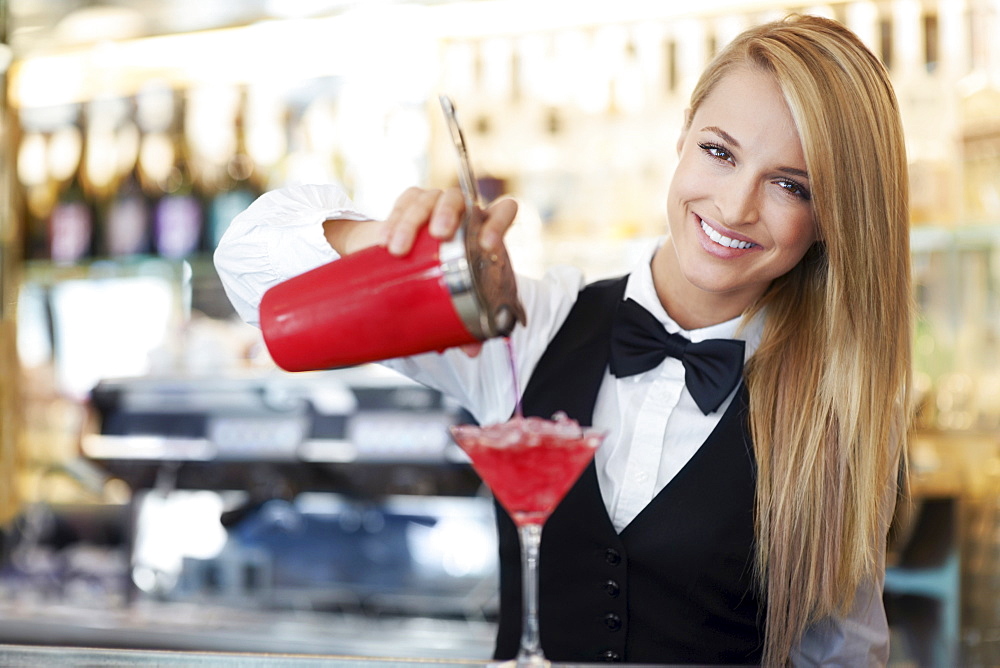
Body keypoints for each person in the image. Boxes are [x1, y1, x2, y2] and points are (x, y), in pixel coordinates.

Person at [215, 14, 911, 666]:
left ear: (831, 220)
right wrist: (395, 250)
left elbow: (842, 655)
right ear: (681, 138)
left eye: (791, 185)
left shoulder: (837, 414)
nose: (735, 205)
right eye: (718, 151)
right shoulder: (521, 324)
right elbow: (248, 268)